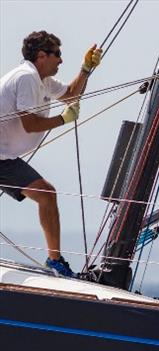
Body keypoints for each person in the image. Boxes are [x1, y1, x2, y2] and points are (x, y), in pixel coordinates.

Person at [0, 31, 102, 276]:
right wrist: (63, 119)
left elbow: (71, 94)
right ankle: (55, 261)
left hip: (5, 158)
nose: (61, 60)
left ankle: (55, 262)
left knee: (46, 194)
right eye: (57, 54)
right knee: (47, 194)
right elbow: (30, 124)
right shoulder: (26, 77)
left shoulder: (42, 80)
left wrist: (86, 69)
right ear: (41, 56)